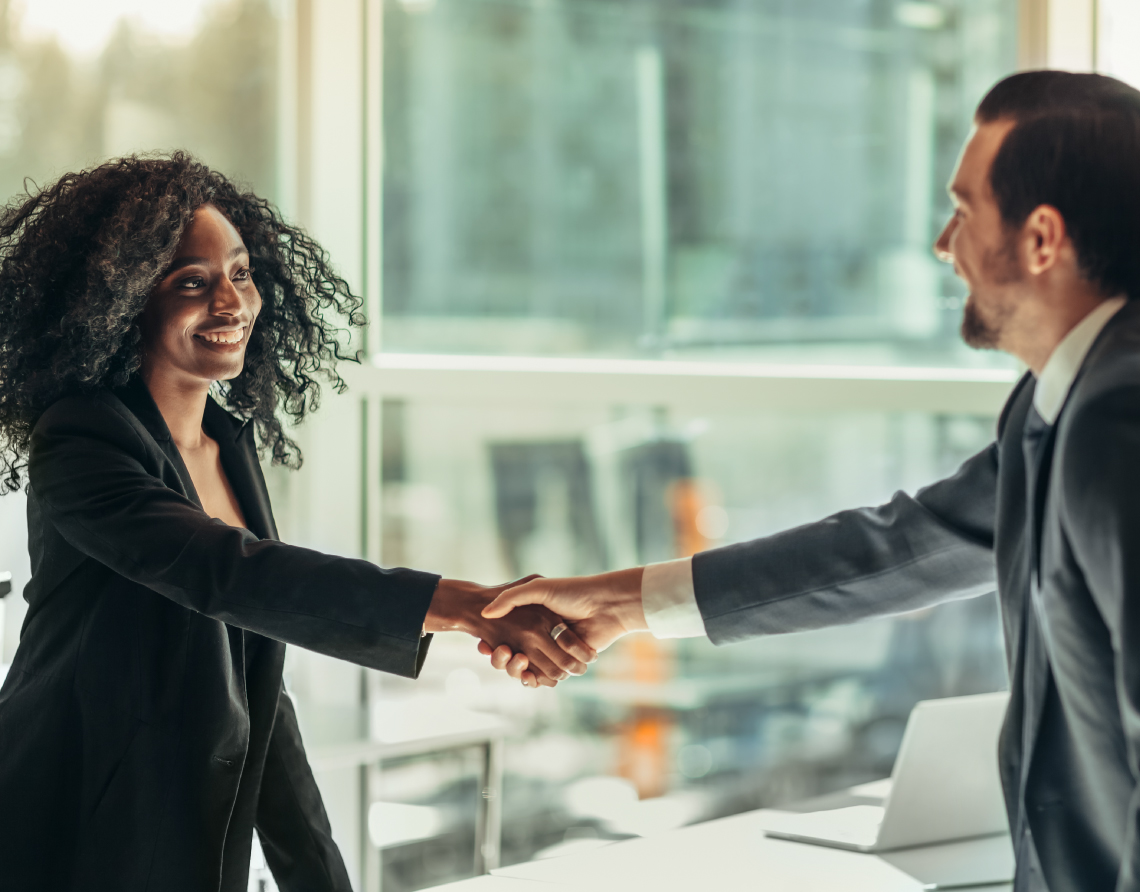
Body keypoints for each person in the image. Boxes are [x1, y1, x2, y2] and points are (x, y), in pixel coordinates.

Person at [482, 70, 1140, 892]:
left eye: (965, 210)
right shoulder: (1058, 398)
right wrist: (621, 602)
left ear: (1042, 239)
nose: (944, 243)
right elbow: (902, 549)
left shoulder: (1121, 418)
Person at [0, 154, 595, 891]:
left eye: (241, 274)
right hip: (66, 823)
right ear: (119, 300)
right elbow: (229, 574)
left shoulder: (225, 446)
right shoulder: (83, 440)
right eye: (192, 282)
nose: (232, 303)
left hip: (178, 836)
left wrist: (319, 876)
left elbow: (258, 679)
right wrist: (468, 607)